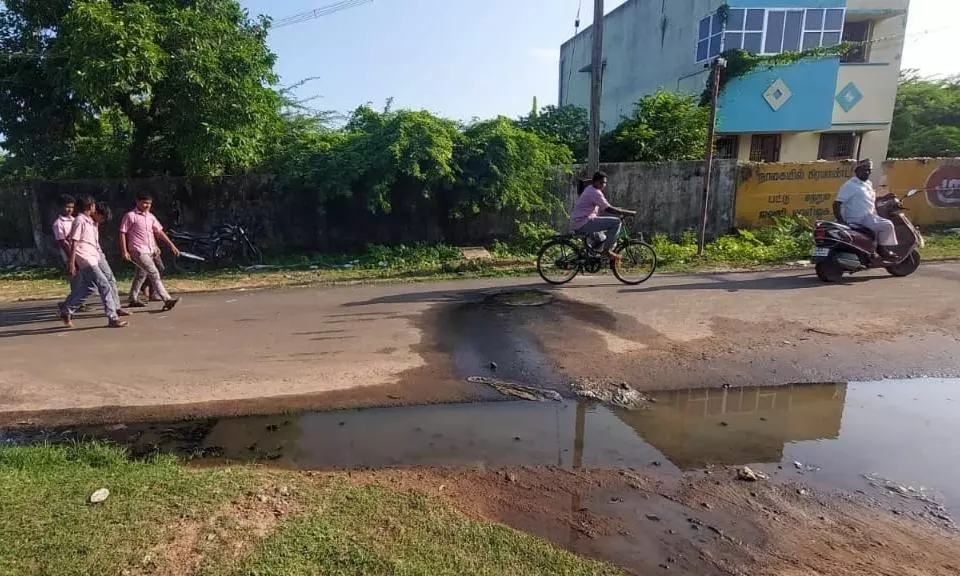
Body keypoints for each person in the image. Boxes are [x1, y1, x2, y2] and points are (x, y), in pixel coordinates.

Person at [58, 196, 129, 328]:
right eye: (94, 206)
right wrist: (72, 263)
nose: (95, 208)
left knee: (89, 287)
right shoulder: (80, 220)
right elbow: (74, 242)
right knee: (105, 285)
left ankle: (67, 310)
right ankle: (112, 317)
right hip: (85, 258)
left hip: (92, 256)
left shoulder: (89, 221)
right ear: (90, 206)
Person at [119, 192, 181, 311]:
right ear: (137, 202)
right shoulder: (130, 216)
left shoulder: (150, 216)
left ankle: (133, 298)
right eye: (144, 203)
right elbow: (122, 232)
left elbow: (158, 232)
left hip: (150, 250)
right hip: (138, 250)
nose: (147, 205)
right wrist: (124, 251)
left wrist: (171, 245)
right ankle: (167, 299)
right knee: (154, 272)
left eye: (149, 203)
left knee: (141, 275)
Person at [834, 159, 899, 259]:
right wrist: (841, 220)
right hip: (859, 218)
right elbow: (837, 203)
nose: (867, 172)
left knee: (879, 226)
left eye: (869, 170)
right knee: (887, 225)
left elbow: (869, 199)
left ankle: (872, 251)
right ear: (857, 171)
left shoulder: (867, 184)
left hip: (869, 216)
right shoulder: (850, 185)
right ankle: (882, 250)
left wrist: (885, 198)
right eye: (865, 170)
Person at [569, 171, 636, 260]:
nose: (603, 185)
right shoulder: (595, 192)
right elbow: (608, 209)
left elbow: (606, 206)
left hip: (580, 222)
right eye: (601, 182)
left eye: (605, 183)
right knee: (616, 222)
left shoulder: (590, 188)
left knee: (602, 239)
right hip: (583, 222)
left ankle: (591, 258)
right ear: (595, 182)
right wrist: (626, 212)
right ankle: (606, 251)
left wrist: (619, 210)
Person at [92, 204, 129, 316]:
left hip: (97, 253)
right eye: (102, 218)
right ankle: (66, 308)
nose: (102, 221)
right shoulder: (82, 222)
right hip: (87, 255)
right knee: (88, 285)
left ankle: (116, 307)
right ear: (96, 212)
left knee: (110, 279)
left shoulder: (95, 223)